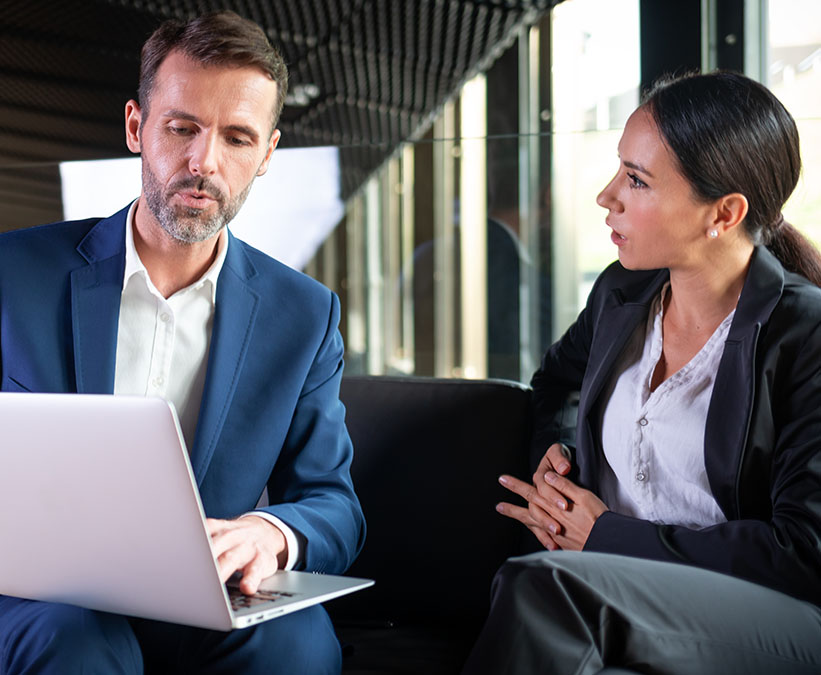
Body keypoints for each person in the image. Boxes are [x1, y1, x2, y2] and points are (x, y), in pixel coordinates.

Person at [0, 11, 364, 674]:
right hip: (47, 598)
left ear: (267, 154)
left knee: (297, 645)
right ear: (136, 127)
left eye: (237, 137)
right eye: (182, 128)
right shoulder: (13, 274)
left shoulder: (305, 315)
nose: (204, 162)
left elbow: (334, 503)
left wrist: (269, 533)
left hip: (207, 597)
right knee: (74, 641)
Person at [463, 71, 821, 673]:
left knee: (545, 585)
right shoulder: (622, 293)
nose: (607, 196)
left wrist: (605, 536)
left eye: (636, 180)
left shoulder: (805, 335)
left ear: (724, 213)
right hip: (618, 590)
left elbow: (804, 553)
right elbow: (556, 383)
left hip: (771, 613)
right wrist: (559, 453)